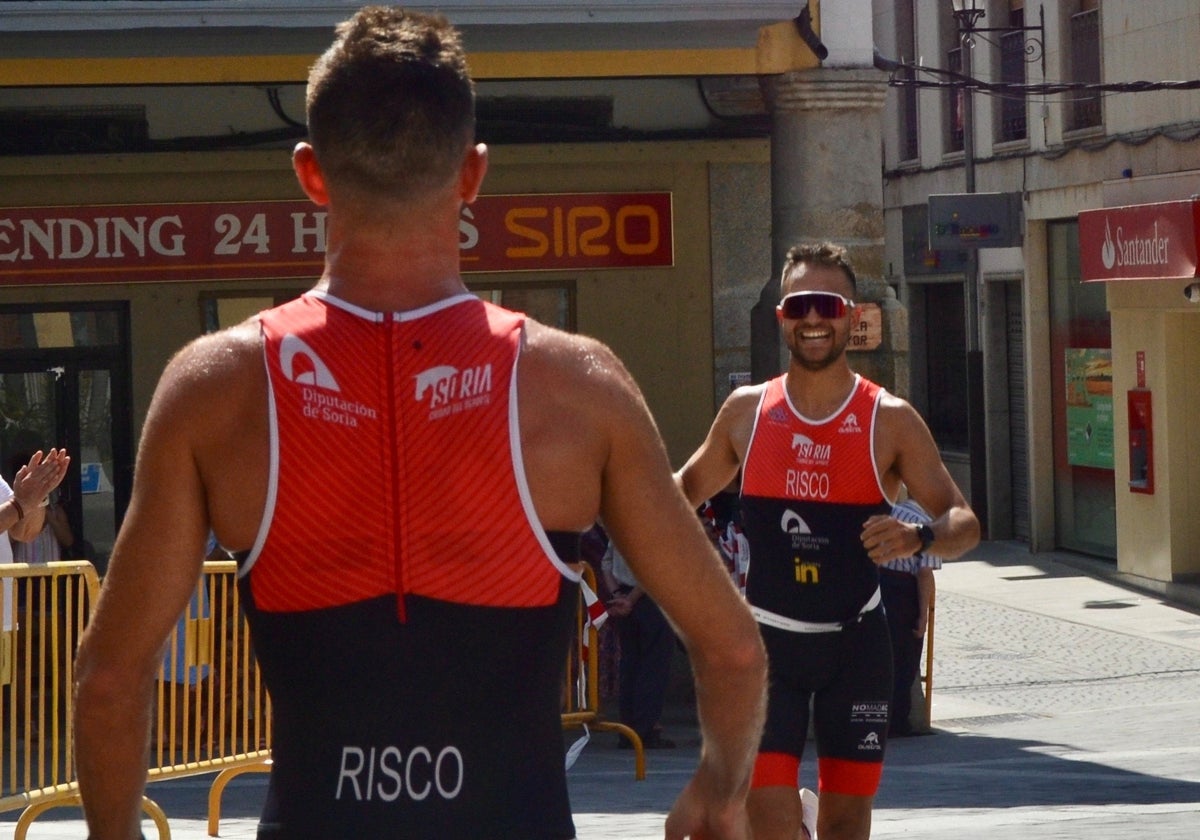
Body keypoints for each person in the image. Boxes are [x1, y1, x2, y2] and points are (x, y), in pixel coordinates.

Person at [73, 7, 767, 840]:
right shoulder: (576, 387)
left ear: (310, 174)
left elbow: (112, 676)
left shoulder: (215, 388)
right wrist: (720, 792)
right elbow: (731, 650)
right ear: (473, 175)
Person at [675, 241, 980, 840]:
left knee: (845, 826)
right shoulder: (745, 413)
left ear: (853, 315)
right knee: (769, 824)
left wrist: (918, 537)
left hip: (856, 650)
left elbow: (964, 523)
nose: (813, 319)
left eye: (827, 304)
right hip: (766, 652)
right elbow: (676, 495)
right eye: (799, 305)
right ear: (781, 316)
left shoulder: (888, 419)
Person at [601, 539, 676, 749]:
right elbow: (655, 570)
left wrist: (618, 595)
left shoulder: (619, 524)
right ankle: (644, 729)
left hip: (623, 594)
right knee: (654, 665)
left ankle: (628, 730)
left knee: (630, 664)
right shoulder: (655, 523)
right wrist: (631, 599)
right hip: (649, 597)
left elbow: (605, 563)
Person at [879, 499, 941, 738]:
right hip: (902, 592)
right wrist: (923, 616)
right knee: (905, 659)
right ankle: (897, 721)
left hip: (871, 585)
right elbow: (925, 573)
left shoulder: (869, 512)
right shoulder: (921, 522)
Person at [0, 448, 71, 628]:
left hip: (3, 623)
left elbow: (25, 533)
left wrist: (38, 495)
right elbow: (18, 507)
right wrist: (20, 504)